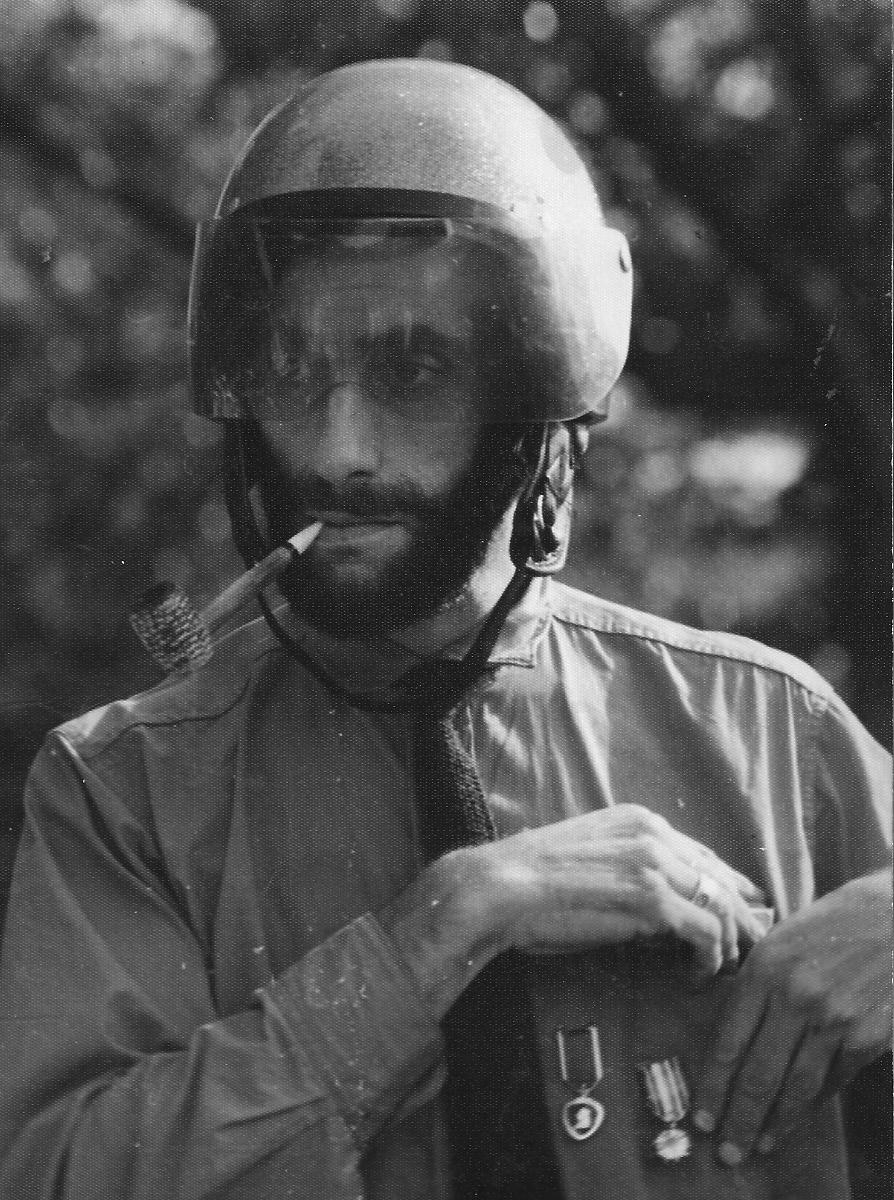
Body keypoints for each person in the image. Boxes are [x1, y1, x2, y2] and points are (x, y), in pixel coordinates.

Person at [0, 58, 889, 1200]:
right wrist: (441, 930)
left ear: (539, 398)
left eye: (415, 370)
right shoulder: (123, 793)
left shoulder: (775, 732)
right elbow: (58, 1176)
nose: (340, 449)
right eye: (292, 369)